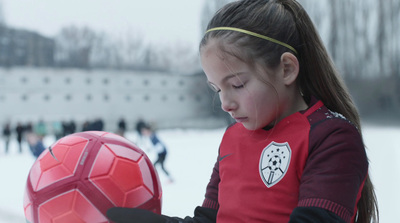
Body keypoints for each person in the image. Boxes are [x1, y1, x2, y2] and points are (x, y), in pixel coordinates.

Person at [107, 0, 379, 222]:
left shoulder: (332, 139)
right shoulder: (232, 138)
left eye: (236, 84)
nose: (225, 103)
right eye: (217, 89)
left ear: (286, 69)